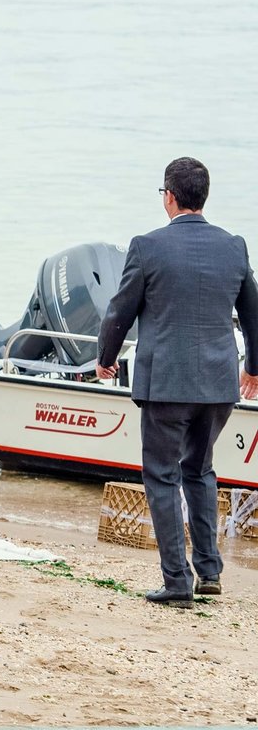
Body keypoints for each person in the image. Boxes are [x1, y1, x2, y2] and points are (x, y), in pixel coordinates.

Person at [97, 156, 258, 608]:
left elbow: (119, 311)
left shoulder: (147, 247)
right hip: (218, 384)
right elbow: (253, 314)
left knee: (162, 476)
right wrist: (254, 369)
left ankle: (176, 581)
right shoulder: (234, 246)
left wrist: (105, 359)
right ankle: (209, 572)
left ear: (169, 195)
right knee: (201, 470)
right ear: (202, 197)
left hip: (166, 383)